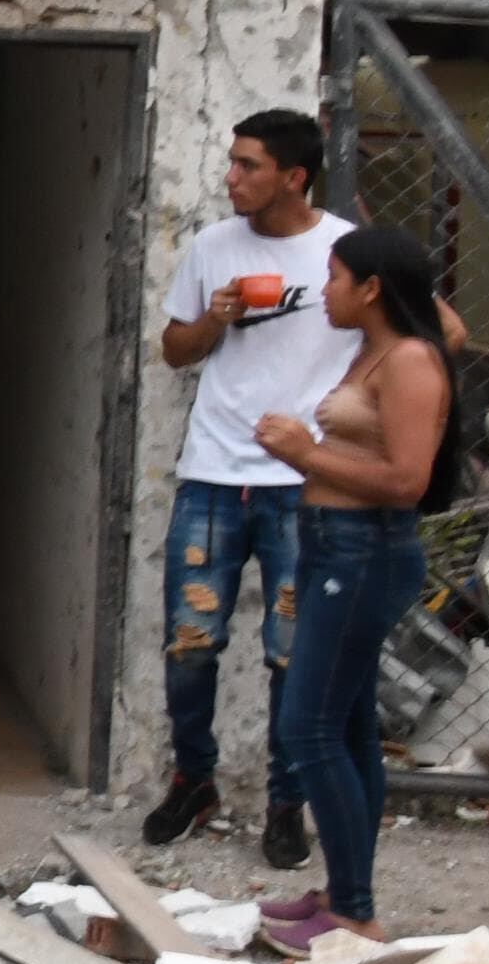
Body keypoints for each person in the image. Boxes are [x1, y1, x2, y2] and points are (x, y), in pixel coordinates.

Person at [140, 110, 358, 859]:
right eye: (231, 163)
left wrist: (353, 413)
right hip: (213, 474)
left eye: (248, 166)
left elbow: (424, 335)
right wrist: (214, 321)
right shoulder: (212, 246)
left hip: (306, 483)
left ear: (294, 176)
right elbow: (174, 349)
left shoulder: (345, 251)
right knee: (190, 643)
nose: (231, 177)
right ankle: (194, 779)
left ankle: (285, 798)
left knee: (290, 651)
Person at [251, 225, 456, 951]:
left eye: (337, 277)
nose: (325, 290)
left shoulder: (408, 360)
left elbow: (409, 480)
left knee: (306, 726)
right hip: (330, 545)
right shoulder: (373, 351)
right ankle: (343, 893)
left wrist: (306, 452)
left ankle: (356, 913)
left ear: (372, 288)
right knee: (348, 725)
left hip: (365, 552)